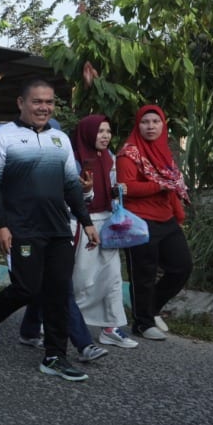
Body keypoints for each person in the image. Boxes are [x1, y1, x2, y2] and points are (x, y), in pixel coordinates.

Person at [0, 79, 98, 382]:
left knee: (58, 292)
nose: (44, 107)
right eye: (37, 101)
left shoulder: (60, 139)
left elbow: (71, 184)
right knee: (27, 288)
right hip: (21, 228)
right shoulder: (2, 137)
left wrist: (86, 221)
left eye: (49, 102)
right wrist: (0, 225)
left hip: (57, 228)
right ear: (21, 103)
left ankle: (55, 356)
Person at [117, 104, 192, 341]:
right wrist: (158, 185)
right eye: (145, 122)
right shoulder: (129, 153)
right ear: (138, 125)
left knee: (182, 266)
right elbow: (125, 188)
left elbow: (172, 189)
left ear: (163, 125)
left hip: (166, 219)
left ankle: (151, 309)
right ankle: (142, 323)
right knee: (143, 274)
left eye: (155, 122)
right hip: (139, 220)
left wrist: (178, 215)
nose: (150, 127)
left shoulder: (164, 152)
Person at [70, 115, 137, 349]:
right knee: (82, 279)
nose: (106, 136)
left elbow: (108, 187)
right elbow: (69, 198)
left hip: (107, 222)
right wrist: (86, 192)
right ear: (88, 133)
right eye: (100, 131)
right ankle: (58, 321)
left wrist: (118, 189)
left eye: (108, 131)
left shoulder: (108, 157)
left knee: (113, 277)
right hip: (82, 224)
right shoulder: (74, 158)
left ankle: (111, 326)